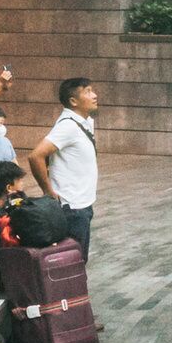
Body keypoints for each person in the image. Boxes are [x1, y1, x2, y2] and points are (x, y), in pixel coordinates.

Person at [35, 75, 103, 251]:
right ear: (73, 101)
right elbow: (36, 156)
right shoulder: (68, 126)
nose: (94, 95)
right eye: (87, 92)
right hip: (72, 206)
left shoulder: (84, 121)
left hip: (82, 203)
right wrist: (48, 191)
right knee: (74, 259)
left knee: (78, 258)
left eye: (92, 90)